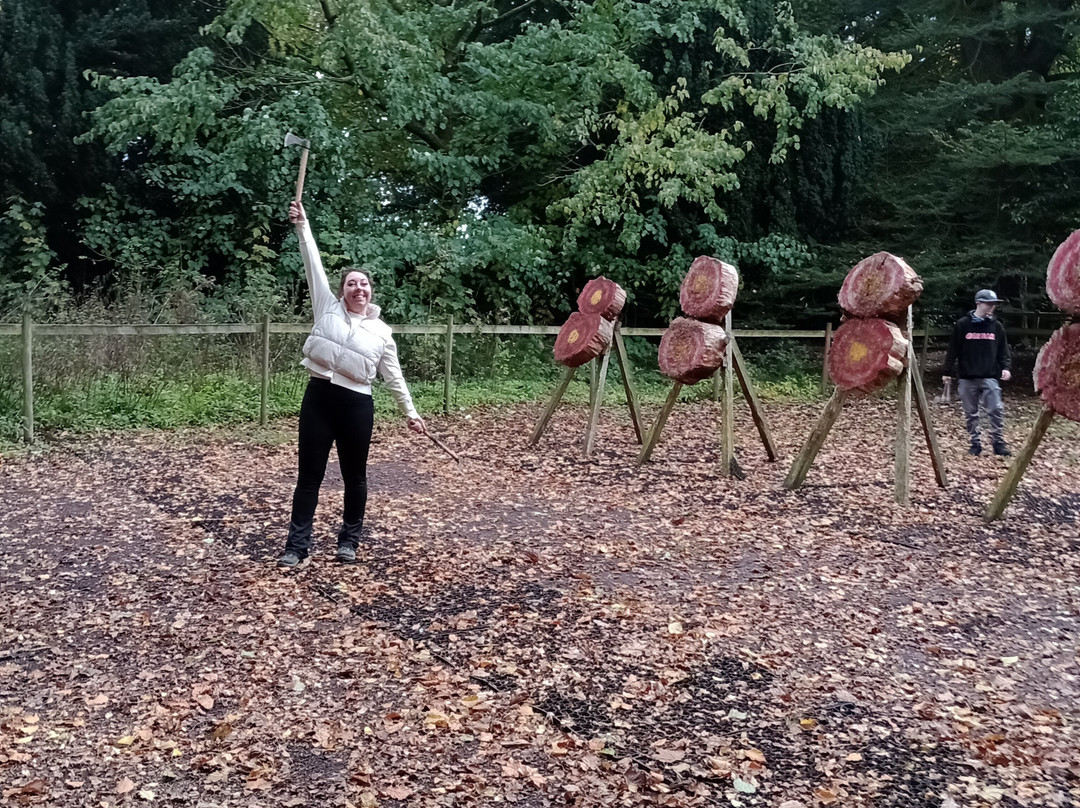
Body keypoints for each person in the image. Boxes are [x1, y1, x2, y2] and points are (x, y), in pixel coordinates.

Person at [278, 200, 425, 568]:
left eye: (363, 283)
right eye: (351, 283)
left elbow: (393, 375)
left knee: (354, 477)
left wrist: (410, 412)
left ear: (371, 291)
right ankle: (296, 546)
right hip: (319, 399)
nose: (358, 288)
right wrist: (303, 225)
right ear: (342, 290)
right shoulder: (326, 307)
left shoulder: (382, 332)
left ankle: (349, 542)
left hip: (357, 406)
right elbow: (312, 263)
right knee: (309, 476)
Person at [943, 289, 1012, 457]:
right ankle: (975, 443)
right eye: (989, 303)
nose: (992, 307)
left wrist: (1006, 367)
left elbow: (1003, 351)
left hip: (989, 376)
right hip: (967, 377)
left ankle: (998, 443)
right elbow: (953, 350)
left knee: (995, 409)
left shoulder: (996, 326)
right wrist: (947, 371)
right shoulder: (962, 325)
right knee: (971, 413)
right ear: (978, 303)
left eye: (994, 304)